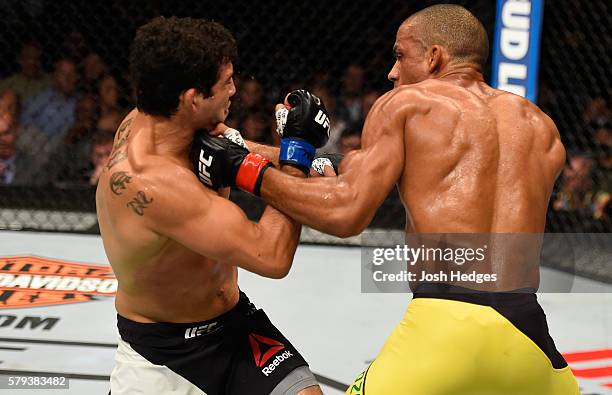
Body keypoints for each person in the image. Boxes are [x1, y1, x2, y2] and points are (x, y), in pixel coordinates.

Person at [209, 4, 579, 394]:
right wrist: (245, 146)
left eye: (400, 55)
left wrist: (241, 169)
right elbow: (347, 169)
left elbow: (344, 213)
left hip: (445, 331)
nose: (392, 72)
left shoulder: (406, 103)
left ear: (435, 56)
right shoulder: (539, 126)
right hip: (530, 342)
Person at [96, 17, 329, 395]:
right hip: (163, 353)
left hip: (233, 325)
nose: (235, 90)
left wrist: (318, 162)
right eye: (226, 83)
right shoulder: (156, 184)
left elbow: (236, 155)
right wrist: (297, 154)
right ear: (192, 98)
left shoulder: (164, 120)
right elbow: (271, 255)